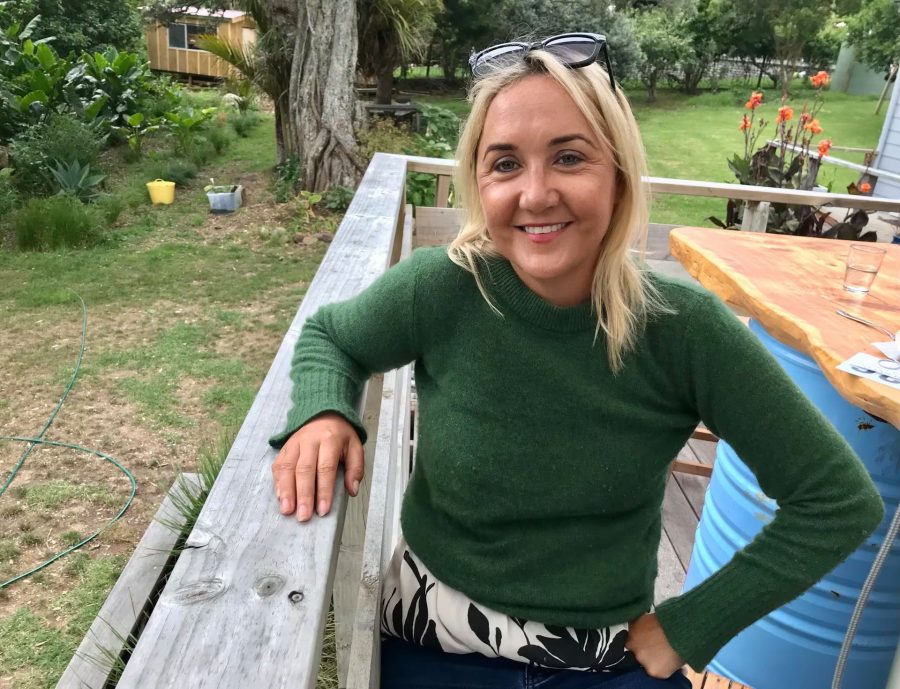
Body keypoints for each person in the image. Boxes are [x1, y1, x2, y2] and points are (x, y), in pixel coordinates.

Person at [270, 33, 884, 689]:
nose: (535, 194)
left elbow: (838, 500)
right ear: (478, 182)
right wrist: (324, 410)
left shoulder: (682, 330)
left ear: (618, 176)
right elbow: (332, 337)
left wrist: (692, 622)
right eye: (504, 164)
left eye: (568, 157)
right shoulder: (442, 288)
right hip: (432, 648)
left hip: (604, 664)